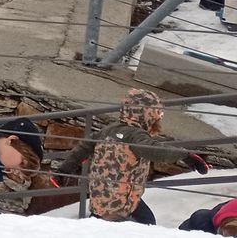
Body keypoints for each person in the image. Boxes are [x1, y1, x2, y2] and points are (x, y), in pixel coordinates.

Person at [57, 89, 209, 225]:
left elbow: (82, 149)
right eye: (158, 114)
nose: (160, 119)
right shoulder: (135, 137)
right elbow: (155, 150)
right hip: (121, 201)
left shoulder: (107, 131)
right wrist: (186, 155)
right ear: (148, 115)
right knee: (145, 224)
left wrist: (63, 171)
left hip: (101, 194)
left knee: (112, 220)